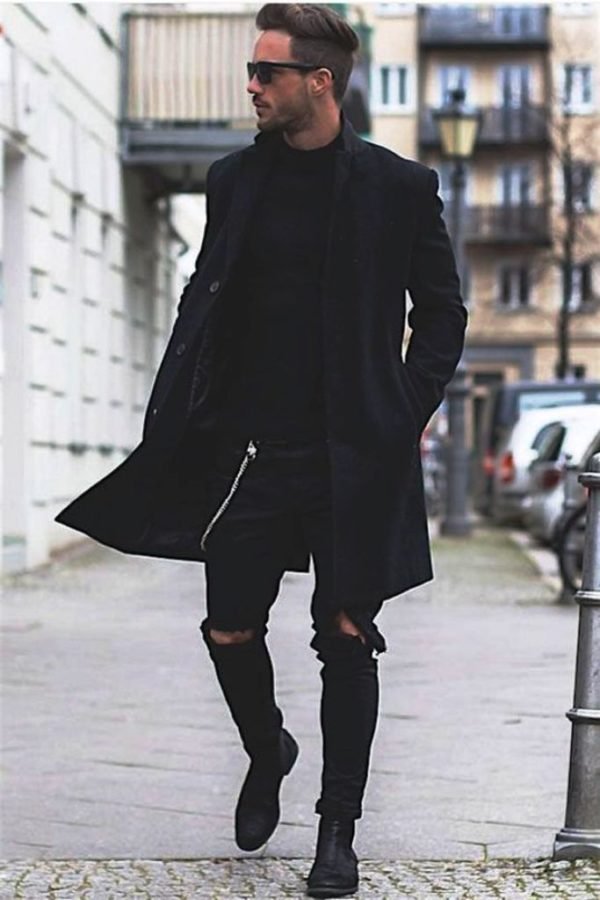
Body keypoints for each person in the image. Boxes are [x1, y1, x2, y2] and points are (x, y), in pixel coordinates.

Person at [56, 4, 467, 897]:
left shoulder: (398, 187)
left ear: (319, 81)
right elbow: (207, 294)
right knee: (229, 628)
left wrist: (402, 409)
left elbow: (443, 314)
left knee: (347, 637)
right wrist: (185, 405)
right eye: (252, 70)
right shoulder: (233, 180)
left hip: (353, 457)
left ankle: (337, 831)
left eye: (266, 72)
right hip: (248, 452)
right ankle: (266, 746)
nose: (251, 85)